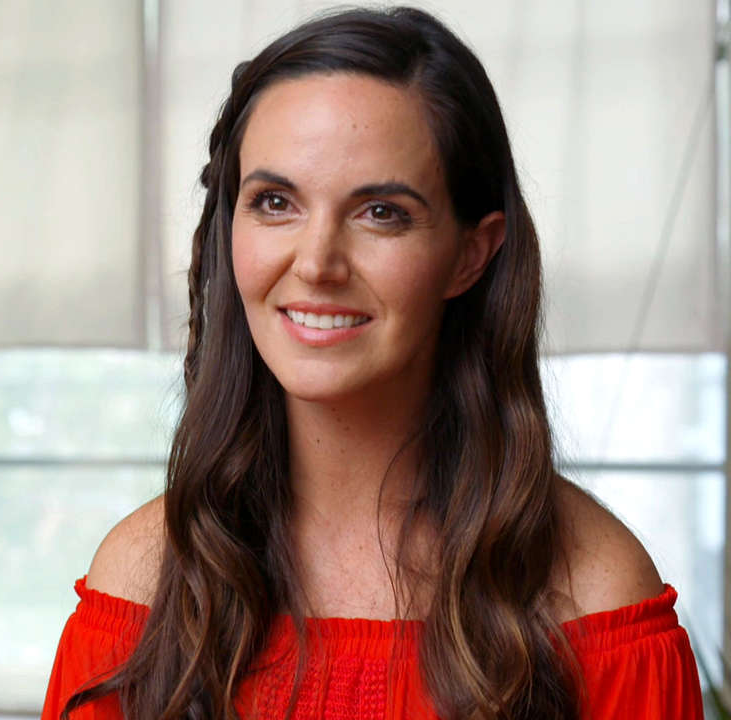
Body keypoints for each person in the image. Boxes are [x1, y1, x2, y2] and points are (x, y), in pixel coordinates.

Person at [39, 6, 704, 720]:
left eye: (381, 212)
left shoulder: (597, 598)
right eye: (275, 202)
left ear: (471, 254)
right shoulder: (140, 585)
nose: (317, 263)